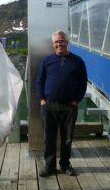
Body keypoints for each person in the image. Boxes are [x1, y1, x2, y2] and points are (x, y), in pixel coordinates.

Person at [36, 30, 87, 177]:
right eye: (56, 42)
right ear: (53, 44)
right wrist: (42, 100)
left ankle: (65, 165)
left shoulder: (78, 61)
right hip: (49, 106)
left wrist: (76, 100)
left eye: (62, 41)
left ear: (67, 42)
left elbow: (83, 83)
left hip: (69, 107)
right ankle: (49, 166)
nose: (59, 44)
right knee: (49, 138)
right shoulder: (47, 60)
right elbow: (40, 81)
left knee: (67, 138)